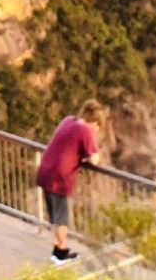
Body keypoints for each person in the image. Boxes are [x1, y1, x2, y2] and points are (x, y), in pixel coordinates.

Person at [36, 101, 105, 262]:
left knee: (54, 215)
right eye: (98, 127)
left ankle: (57, 251)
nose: (96, 130)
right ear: (95, 122)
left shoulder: (68, 120)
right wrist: (94, 155)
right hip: (59, 177)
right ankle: (61, 254)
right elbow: (94, 158)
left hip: (45, 170)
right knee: (62, 218)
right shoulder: (85, 129)